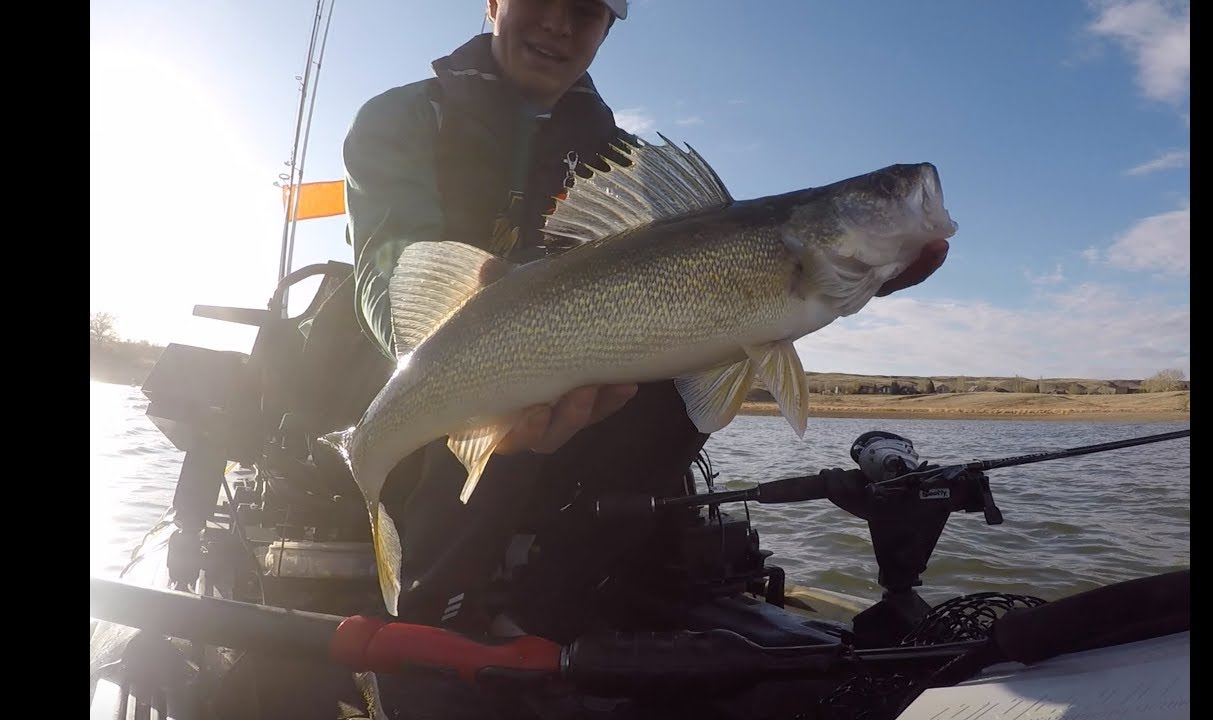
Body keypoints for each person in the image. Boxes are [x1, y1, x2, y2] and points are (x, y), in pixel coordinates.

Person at [340, 0, 948, 674]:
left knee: (684, 386)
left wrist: (867, 275)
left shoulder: (619, 156)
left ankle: (547, 612)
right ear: (492, 4)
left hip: (583, 399)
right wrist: (454, 357)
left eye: (585, 10)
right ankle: (431, 624)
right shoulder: (399, 119)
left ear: (607, 26)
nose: (558, 23)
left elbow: (728, 302)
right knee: (454, 506)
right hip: (432, 369)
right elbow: (388, 268)